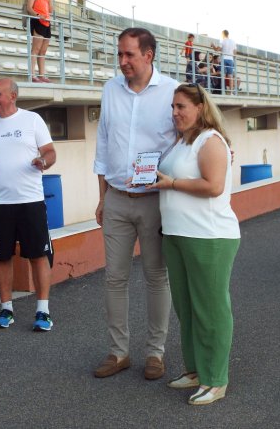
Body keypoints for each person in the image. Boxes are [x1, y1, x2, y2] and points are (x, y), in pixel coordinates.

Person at [92, 28, 178, 380]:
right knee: (115, 278)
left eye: (129, 55)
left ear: (148, 55)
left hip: (155, 201)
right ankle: (118, 352)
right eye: (120, 54)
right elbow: (103, 143)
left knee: (157, 277)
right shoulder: (111, 89)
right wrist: (101, 198)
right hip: (115, 200)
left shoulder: (173, 91)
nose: (123, 61)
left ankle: (155, 354)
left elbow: (195, 134)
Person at [149, 83, 240, 405]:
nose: (175, 113)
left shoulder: (210, 141)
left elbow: (214, 186)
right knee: (187, 309)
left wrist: (172, 182)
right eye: (173, 107)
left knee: (211, 311)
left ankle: (216, 379)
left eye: (181, 107)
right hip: (177, 234)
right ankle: (196, 371)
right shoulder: (181, 142)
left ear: (200, 107)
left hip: (209, 236)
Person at [0, 78, 56, 331]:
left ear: (13, 96)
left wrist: (43, 161)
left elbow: (50, 152)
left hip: (30, 201)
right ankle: (6, 308)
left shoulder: (32, 120)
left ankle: (43, 311)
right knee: (2, 255)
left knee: (38, 255)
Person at [26, 0, 52, 83]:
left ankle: (42, 75)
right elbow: (29, 7)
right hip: (38, 21)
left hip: (47, 22)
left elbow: (51, 10)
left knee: (43, 51)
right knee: (36, 49)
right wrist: (38, 15)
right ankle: (32, 75)